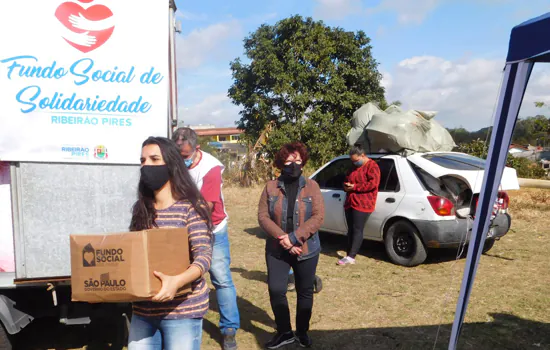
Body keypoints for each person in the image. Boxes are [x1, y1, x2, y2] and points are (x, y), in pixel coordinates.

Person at [128, 137, 213, 350]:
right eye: (142, 160)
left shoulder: (190, 207)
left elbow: (204, 255)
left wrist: (177, 282)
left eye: (154, 159)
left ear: (171, 164)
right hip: (144, 312)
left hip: (182, 311)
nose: (146, 165)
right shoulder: (141, 209)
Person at [172, 128, 240, 350]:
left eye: (186, 156)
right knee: (187, 278)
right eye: (178, 156)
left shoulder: (211, 167)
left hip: (213, 229)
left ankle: (229, 329)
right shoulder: (174, 164)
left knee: (221, 279)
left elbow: (206, 207)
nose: (183, 161)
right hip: (184, 228)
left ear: (197, 148)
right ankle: (184, 321)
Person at [258, 142, 325, 349]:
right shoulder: (270, 187)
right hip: (278, 249)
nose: (293, 165)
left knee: (304, 291)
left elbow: (318, 216)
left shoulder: (312, 186)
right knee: (276, 289)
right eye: (288, 161)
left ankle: (302, 331)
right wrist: (283, 238)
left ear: (303, 162)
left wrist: (295, 238)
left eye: (297, 160)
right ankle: (285, 332)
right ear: (280, 164)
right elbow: (262, 217)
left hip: (306, 249)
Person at [338, 143, 381, 265]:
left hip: (364, 203)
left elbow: (373, 184)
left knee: (357, 229)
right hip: (350, 201)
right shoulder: (352, 167)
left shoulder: (373, 166)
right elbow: (347, 179)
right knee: (350, 229)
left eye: (356, 160)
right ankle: (348, 254)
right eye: (352, 161)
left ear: (362, 155)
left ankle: (351, 257)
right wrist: (346, 187)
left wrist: (355, 187)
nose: (354, 163)